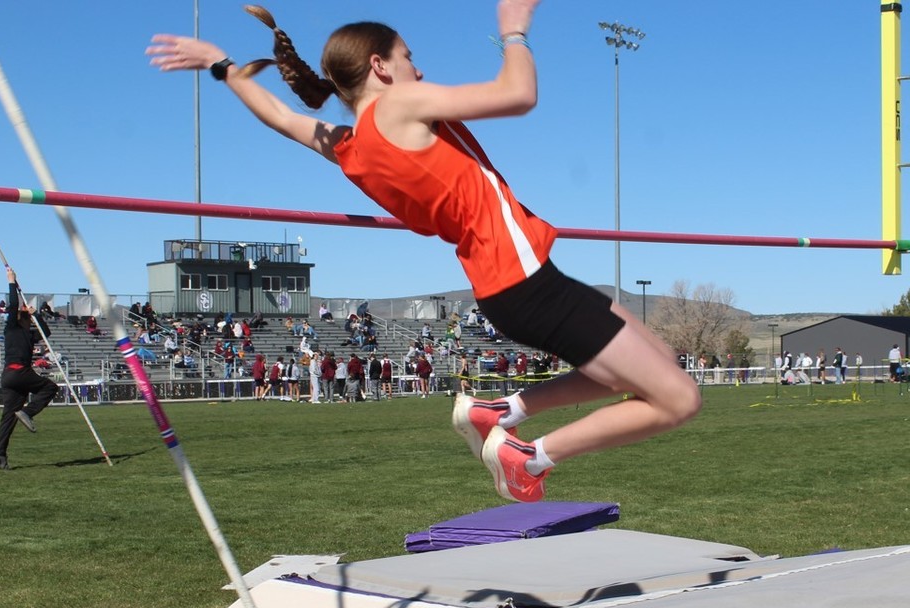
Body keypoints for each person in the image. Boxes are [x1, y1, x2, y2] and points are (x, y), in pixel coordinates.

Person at [147, 0, 699, 503]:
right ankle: (527, 458)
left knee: (658, 365)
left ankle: (499, 411)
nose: (420, 70)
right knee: (678, 400)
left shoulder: (350, 148)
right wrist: (513, 31)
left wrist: (222, 66)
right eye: (410, 58)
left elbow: (280, 117)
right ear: (380, 66)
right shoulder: (400, 105)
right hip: (524, 280)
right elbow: (518, 94)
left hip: (513, 285)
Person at [0, 268, 59, 469]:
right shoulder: (15, 328)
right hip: (20, 372)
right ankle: (28, 412)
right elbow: (13, 307)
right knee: (50, 387)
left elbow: (45, 333)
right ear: (26, 320)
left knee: (9, 416)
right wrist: (11, 282)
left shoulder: (18, 333)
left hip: (8, 376)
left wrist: (34, 313)